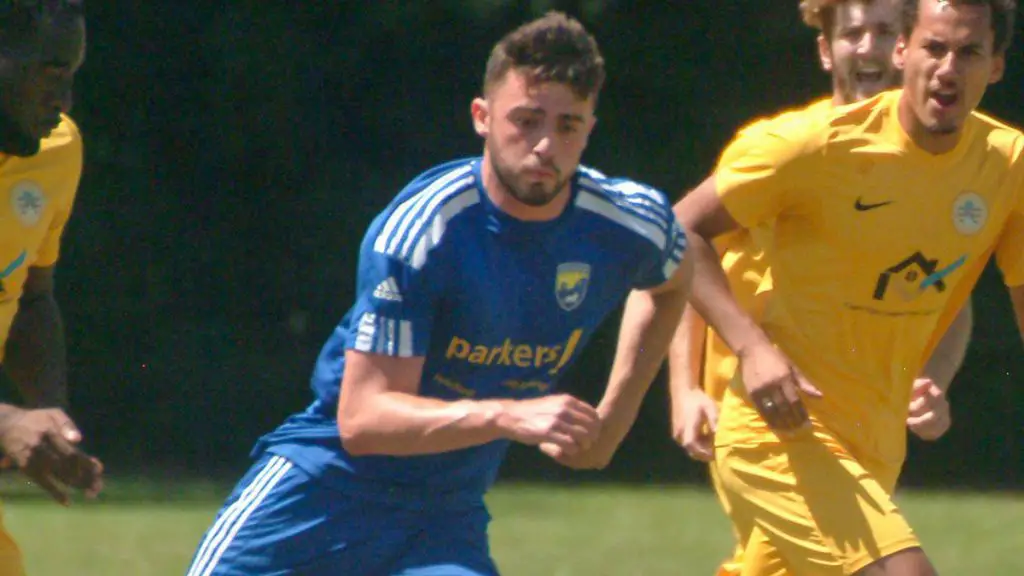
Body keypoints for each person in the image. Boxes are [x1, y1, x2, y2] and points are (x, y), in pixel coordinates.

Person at [186, 12, 692, 576]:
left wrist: (613, 421)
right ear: (482, 116)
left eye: (569, 125)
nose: (546, 145)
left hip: (442, 521)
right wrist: (508, 415)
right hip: (322, 490)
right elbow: (362, 418)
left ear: (591, 128)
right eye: (525, 120)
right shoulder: (426, 229)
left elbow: (673, 282)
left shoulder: (629, 221)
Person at [674, 0, 1020, 574]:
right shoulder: (813, 145)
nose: (948, 68)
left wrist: (933, 379)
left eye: (970, 52)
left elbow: (954, 297)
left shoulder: (1007, 166)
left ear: (998, 65)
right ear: (903, 51)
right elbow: (676, 230)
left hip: (876, 445)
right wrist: (751, 351)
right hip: (777, 434)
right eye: (934, 48)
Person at [0, 0, 103, 573]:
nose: (64, 98)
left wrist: (49, 419)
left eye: (74, 73)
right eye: (51, 70)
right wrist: (7, 424)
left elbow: (31, 295)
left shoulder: (57, 150)